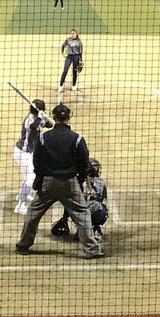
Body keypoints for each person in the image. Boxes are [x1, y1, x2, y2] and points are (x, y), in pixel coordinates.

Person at [15, 103, 103, 259]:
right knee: (82, 214)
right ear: (68, 118)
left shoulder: (43, 137)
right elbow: (83, 164)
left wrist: (40, 180)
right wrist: (80, 180)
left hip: (48, 183)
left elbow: (37, 161)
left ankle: (23, 245)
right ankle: (92, 250)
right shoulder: (77, 138)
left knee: (33, 213)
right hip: (69, 183)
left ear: (54, 118)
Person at [51, 156, 108, 240]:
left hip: (78, 215)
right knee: (103, 208)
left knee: (72, 203)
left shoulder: (76, 181)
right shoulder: (101, 182)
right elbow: (103, 201)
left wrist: (65, 218)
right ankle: (94, 228)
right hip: (97, 214)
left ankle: (80, 229)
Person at [12, 99, 46, 215]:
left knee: (29, 176)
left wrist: (44, 117)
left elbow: (49, 125)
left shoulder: (37, 117)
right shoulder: (30, 119)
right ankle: (19, 206)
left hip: (28, 153)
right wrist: (40, 118)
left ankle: (22, 194)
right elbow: (32, 126)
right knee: (30, 178)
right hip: (22, 152)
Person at [59, 28, 83, 92]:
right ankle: (60, 85)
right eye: (72, 33)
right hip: (69, 57)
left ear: (76, 34)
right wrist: (62, 53)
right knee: (65, 71)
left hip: (76, 57)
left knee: (74, 72)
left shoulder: (79, 41)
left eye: (74, 33)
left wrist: (80, 61)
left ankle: (74, 85)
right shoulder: (68, 40)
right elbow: (63, 46)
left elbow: (80, 52)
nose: (73, 34)